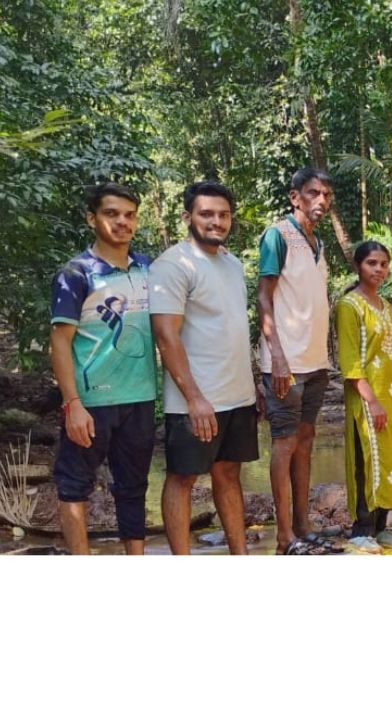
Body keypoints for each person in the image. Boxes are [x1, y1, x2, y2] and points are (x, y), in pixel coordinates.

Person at [150, 181, 259, 555]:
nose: (216, 221)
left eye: (223, 214)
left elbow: (229, 327)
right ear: (188, 217)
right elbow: (166, 336)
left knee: (229, 472)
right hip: (194, 399)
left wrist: (252, 385)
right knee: (183, 478)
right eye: (206, 214)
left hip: (237, 393)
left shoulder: (230, 263)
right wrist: (194, 398)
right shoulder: (172, 265)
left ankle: (239, 554)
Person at [49, 183, 156, 555]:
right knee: (74, 484)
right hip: (92, 401)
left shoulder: (147, 267)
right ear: (92, 218)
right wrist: (72, 404)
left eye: (129, 215)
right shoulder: (76, 274)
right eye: (112, 214)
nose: (122, 222)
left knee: (134, 486)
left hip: (141, 397)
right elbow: (60, 342)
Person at [257, 167, 333, 554]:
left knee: (305, 441)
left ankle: (304, 526)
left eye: (326, 195)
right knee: (284, 444)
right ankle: (284, 536)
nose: (321, 200)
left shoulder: (317, 243)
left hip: (316, 362)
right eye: (313, 193)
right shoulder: (278, 235)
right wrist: (277, 358)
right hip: (285, 363)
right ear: (295, 197)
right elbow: (264, 297)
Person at [336, 241, 392, 543]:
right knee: (368, 460)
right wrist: (373, 402)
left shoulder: (385, 307)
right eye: (371, 263)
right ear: (357, 266)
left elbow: (390, 352)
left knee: (391, 459)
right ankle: (362, 530)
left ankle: (381, 528)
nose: (379, 269)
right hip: (368, 398)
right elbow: (352, 362)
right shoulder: (349, 306)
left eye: (383, 263)